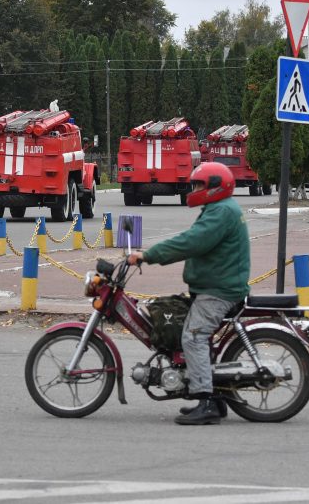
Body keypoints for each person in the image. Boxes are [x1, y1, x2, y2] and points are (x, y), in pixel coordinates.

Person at [126, 162, 249, 425]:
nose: (194, 190)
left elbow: (191, 242)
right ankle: (214, 398)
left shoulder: (221, 212)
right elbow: (194, 238)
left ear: (215, 186)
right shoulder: (219, 209)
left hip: (218, 291)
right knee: (188, 332)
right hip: (215, 285)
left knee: (193, 337)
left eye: (199, 185)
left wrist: (148, 255)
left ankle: (207, 403)